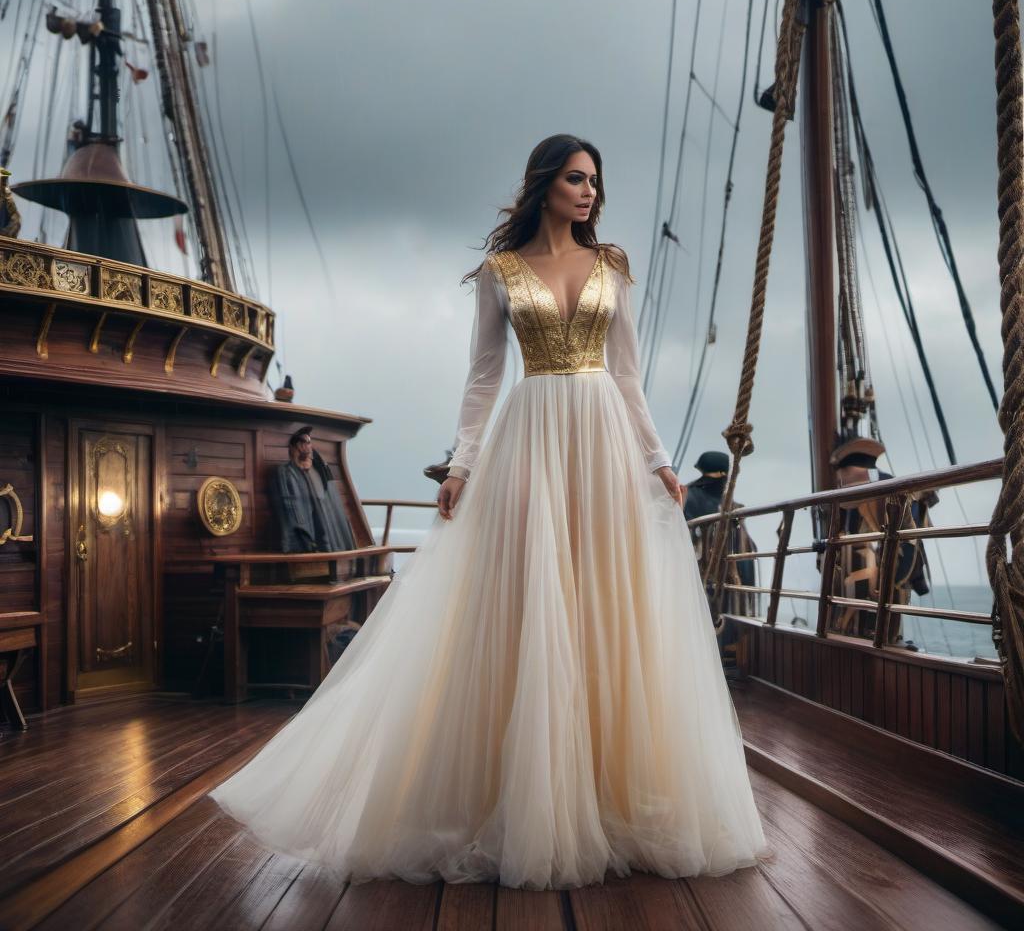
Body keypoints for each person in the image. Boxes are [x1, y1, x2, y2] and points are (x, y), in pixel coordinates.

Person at [211, 134, 771, 890]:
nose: (589, 193)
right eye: (576, 179)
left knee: (606, 603)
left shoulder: (613, 267)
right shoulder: (501, 273)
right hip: (530, 439)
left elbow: (629, 377)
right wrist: (463, 465)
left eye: (595, 183)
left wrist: (660, 461)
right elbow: (482, 379)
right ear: (545, 185)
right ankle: (524, 799)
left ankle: (614, 798)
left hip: (604, 440)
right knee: (529, 606)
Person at [829, 436, 934, 648]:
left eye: (844, 473)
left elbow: (910, 542)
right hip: (857, 579)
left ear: (856, 470)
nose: (841, 480)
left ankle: (875, 633)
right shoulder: (848, 497)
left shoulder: (895, 491)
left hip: (888, 574)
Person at [683, 451, 760, 649]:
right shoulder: (691, 498)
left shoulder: (727, 503)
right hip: (704, 574)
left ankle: (731, 643)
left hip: (728, 574)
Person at [272, 426, 356, 553]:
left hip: (320, 525)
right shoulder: (286, 472)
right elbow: (290, 505)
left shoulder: (319, 469)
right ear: (296, 446)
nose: (307, 446)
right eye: (304, 442)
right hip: (301, 532)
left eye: (309, 442)